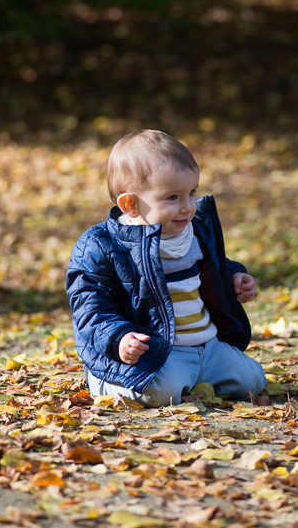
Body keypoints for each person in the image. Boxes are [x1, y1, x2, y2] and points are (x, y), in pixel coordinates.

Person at [67, 130, 266, 407]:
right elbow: (91, 308)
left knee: (253, 381)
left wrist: (235, 277)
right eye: (172, 197)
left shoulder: (193, 232)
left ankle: (193, 375)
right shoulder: (102, 246)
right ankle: (104, 380)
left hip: (206, 346)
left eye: (191, 193)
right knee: (160, 394)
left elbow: (213, 270)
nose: (187, 207)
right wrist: (118, 338)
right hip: (157, 351)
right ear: (131, 204)